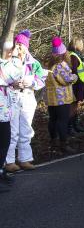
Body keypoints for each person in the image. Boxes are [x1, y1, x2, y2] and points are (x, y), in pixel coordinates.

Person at [3, 30, 46, 173]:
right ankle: (9, 161)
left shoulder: (33, 63)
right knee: (12, 131)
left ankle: (24, 158)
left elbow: (41, 80)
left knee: (26, 129)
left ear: (27, 46)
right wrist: (13, 83)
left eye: (22, 44)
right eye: (17, 44)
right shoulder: (8, 61)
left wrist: (32, 82)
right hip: (12, 98)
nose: (19, 47)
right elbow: (4, 79)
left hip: (27, 97)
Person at [45, 37, 79, 155]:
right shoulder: (60, 66)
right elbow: (67, 79)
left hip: (51, 99)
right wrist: (75, 77)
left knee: (53, 120)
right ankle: (63, 144)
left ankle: (53, 142)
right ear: (63, 53)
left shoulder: (49, 65)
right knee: (62, 121)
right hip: (62, 99)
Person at [0, 42, 26, 188]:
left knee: (4, 142)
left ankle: (1, 170)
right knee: (3, 142)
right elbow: (12, 73)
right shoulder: (6, 65)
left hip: (4, 111)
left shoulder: (4, 64)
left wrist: (13, 86)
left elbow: (8, 79)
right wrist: (16, 56)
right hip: (1, 111)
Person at [67, 37, 84, 134]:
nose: (82, 46)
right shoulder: (73, 56)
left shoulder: (76, 55)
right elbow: (73, 72)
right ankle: (69, 127)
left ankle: (75, 125)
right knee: (72, 107)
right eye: (81, 44)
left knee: (75, 106)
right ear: (77, 45)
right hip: (75, 86)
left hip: (78, 85)